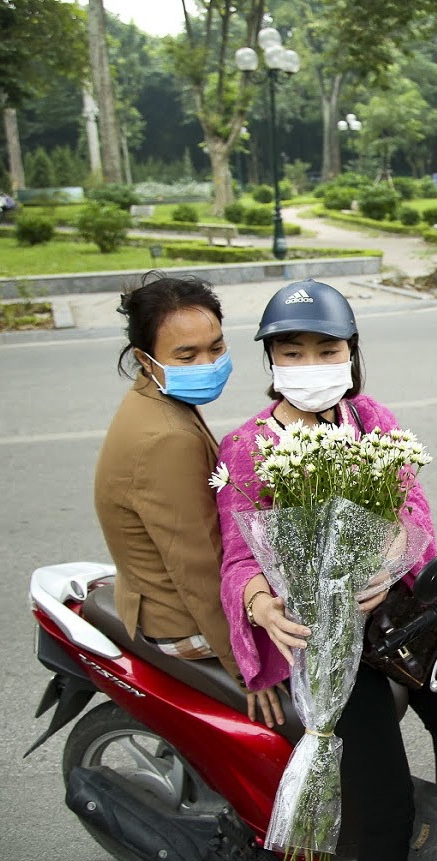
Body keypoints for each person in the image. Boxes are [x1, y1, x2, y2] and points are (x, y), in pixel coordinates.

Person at [215, 279, 437, 861]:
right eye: (292, 352)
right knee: (387, 806)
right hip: (329, 647)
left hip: (399, 624)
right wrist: (261, 606)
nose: (310, 366)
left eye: (327, 350)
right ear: (270, 361)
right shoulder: (247, 447)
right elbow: (239, 551)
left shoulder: (370, 419)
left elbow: (414, 508)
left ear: (352, 353)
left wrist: (391, 558)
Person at [95, 274, 284, 719]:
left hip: (153, 591)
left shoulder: (155, 399)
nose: (208, 362)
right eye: (187, 355)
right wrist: (245, 667)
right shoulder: (166, 439)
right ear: (146, 358)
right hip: (179, 619)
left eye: (216, 348)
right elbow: (200, 568)